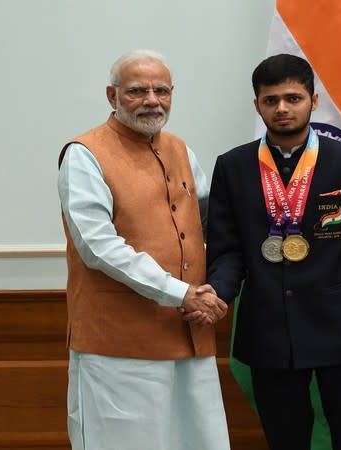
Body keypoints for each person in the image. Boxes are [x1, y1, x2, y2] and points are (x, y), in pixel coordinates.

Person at [204, 54, 341, 450]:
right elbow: (227, 251)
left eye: (293, 98)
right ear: (256, 104)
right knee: (285, 441)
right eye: (271, 100)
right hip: (268, 333)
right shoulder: (233, 166)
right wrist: (217, 293)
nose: (282, 108)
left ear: (314, 100)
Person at [57, 49, 230, 450]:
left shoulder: (180, 149)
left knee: (198, 442)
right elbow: (97, 246)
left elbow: (210, 222)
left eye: (161, 90)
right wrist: (182, 293)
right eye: (137, 90)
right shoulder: (84, 154)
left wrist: (216, 288)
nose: (152, 100)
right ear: (111, 96)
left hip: (190, 335)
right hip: (118, 345)